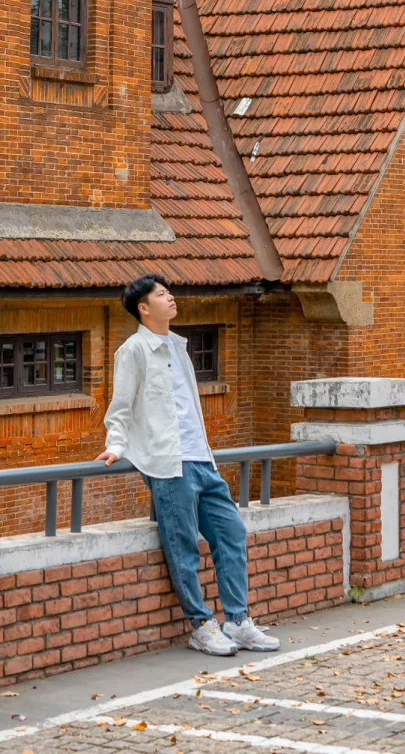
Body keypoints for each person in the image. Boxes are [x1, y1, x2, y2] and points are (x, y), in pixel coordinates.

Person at [99, 275, 281, 657]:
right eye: (161, 295)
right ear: (143, 308)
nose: (171, 298)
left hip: (202, 458)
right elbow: (121, 406)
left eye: (169, 292)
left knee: (232, 532)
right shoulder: (133, 351)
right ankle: (200, 625)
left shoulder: (178, 346)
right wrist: (115, 446)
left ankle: (237, 621)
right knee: (183, 547)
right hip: (169, 464)